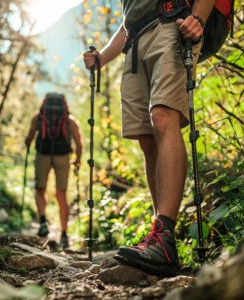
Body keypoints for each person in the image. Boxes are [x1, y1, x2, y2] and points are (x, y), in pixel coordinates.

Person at [83, 0, 215, 276]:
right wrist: (102, 58)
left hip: (172, 23)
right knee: (146, 137)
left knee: (164, 115)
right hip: (134, 42)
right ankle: (159, 239)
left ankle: (164, 236)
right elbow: (128, 21)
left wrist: (199, 18)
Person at [25, 92, 82, 249]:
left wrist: (28, 142)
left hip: (42, 155)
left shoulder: (38, 119)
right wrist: (77, 160)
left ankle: (43, 221)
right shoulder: (70, 121)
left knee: (39, 188)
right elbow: (79, 143)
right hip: (63, 157)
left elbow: (28, 139)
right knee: (61, 193)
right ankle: (64, 234)